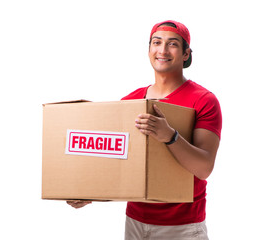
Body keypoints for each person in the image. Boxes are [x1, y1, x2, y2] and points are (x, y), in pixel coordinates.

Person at [67, 20, 222, 240]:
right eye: (157, 42)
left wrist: (170, 136)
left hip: (182, 226)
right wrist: (90, 194)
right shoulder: (131, 101)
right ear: (149, 49)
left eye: (173, 44)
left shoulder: (203, 100)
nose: (163, 50)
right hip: (135, 222)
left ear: (186, 53)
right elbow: (118, 163)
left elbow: (204, 168)